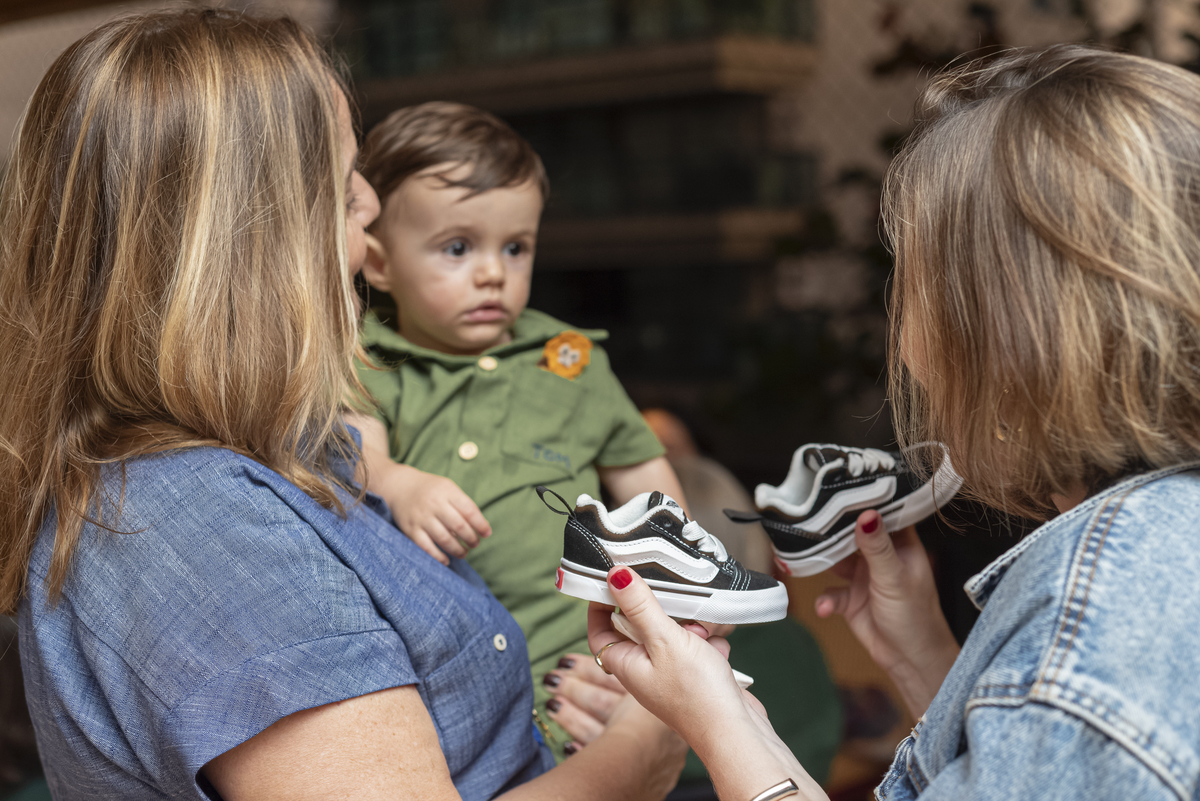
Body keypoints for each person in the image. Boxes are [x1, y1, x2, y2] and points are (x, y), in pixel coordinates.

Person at [3, 9, 686, 799]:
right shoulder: (196, 522)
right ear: (249, 238)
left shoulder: (290, 447)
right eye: (341, 178)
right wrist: (644, 744)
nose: (367, 202)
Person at [583, 44, 1200, 801]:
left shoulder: (1104, 609)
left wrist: (709, 717)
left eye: (915, 282)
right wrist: (923, 656)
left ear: (1010, 331)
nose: (905, 343)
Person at [345, 101, 687, 756]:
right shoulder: (370, 358)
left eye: (516, 247)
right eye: (456, 247)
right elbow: (360, 448)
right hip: (453, 665)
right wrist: (398, 482)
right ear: (381, 264)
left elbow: (642, 471)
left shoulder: (571, 358)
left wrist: (671, 568)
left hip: (585, 641)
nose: (494, 272)